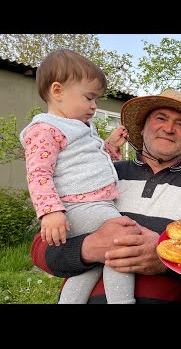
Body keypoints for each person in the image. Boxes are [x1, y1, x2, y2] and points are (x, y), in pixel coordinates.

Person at [29, 88, 181, 304]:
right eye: (161, 118)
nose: (169, 129)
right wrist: (88, 249)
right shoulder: (102, 174)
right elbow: (41, 250)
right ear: (141, 129)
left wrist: (165, 261)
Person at [20, 49, 136, 304]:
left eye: (96, 99)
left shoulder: (79, 127)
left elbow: (86, 161)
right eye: (88, 97)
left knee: (93, 263)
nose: (94, 106)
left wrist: (110, 146)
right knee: (122, 241)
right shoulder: (45, 129)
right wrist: (50, 211)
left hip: (94, 204)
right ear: (58, 91)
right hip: (77, 206)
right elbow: (38, 173)